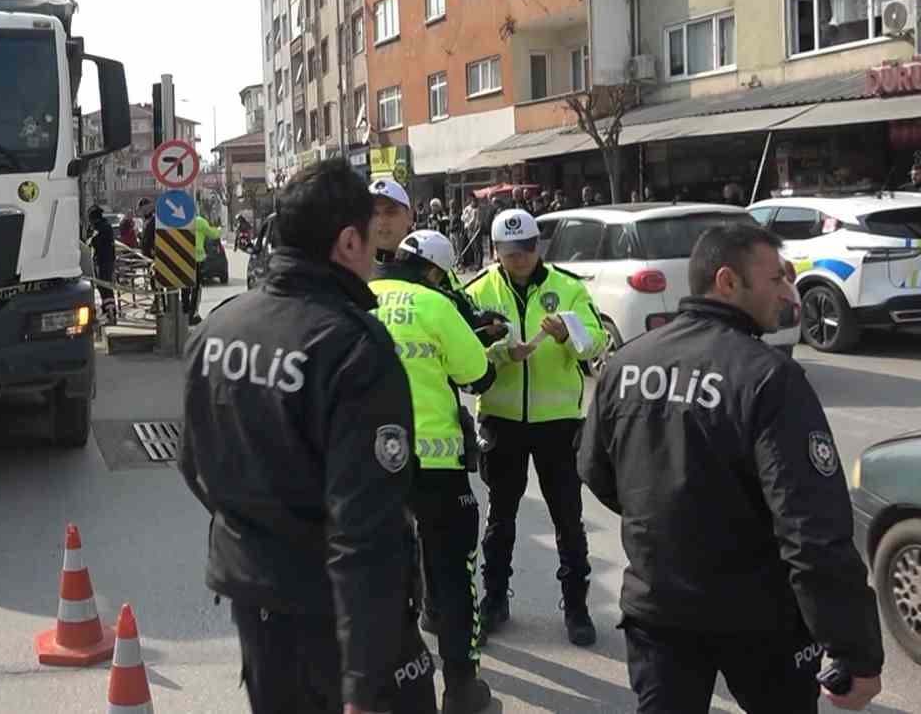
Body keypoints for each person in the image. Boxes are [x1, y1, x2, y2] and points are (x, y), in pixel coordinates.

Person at [580, 223, 884, 713]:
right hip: (759, 618)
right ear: (727, 282)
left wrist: (665, 517)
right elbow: (812, 529)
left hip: (660, 608)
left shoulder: (626, 362)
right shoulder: (768, 377)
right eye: (775, 281)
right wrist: (854, 650)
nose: (788, 294)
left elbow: (597, 472)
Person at [178, 159, 433, 714]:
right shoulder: (352, 347)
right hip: (339, 619)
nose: (375, 254)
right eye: (371, 237)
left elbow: (192, 466)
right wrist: (363, 682)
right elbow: (365, 528)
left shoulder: (217, 330)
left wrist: (260, 532)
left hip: (257, 606)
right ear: (347, 241)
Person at [463, 208, 608, 647]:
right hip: (502, 420)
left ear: (538, 246)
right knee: (500, 518)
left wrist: (568, 336)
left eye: (527, 248)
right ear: (495, 251)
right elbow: (465, 357)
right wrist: (502, 352)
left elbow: (597, 345)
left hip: (558, 423)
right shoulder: (478, 291)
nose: (520, 258)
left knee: (568, 517)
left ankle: (577, 606)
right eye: (510, 252)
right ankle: (494, 600)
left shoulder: (567, 287)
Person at [373, 229, 501, 713]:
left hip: (369, 467)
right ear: (432, 272)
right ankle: (462, 691)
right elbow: (478, 375)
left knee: (377, 575)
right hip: (437, 468)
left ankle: (386, 687)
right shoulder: (433, 305)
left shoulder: (357, 298)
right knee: (452, 577)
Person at [368, 177, 415, 268]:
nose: (381, 221)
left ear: (409, 216)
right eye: (374, 213)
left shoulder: (429, 270)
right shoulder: (356, 271)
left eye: (390, 212)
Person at [187, 206, 221, 324]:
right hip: (197, 260)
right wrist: (220, 230)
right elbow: (213, 234)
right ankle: (193, 314)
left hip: (183, 260)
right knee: (196, 288)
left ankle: (184, 312)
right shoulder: (200, 221)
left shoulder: (180, 222)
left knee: (185, 288)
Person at [87, 206, 117, 321]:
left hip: (103, 261)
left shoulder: (100, 228)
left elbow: (94, 243)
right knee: (103, 285)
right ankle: (108, 308)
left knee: (104, 286)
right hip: (105, 260)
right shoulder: (105, 226)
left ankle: (110, 311)